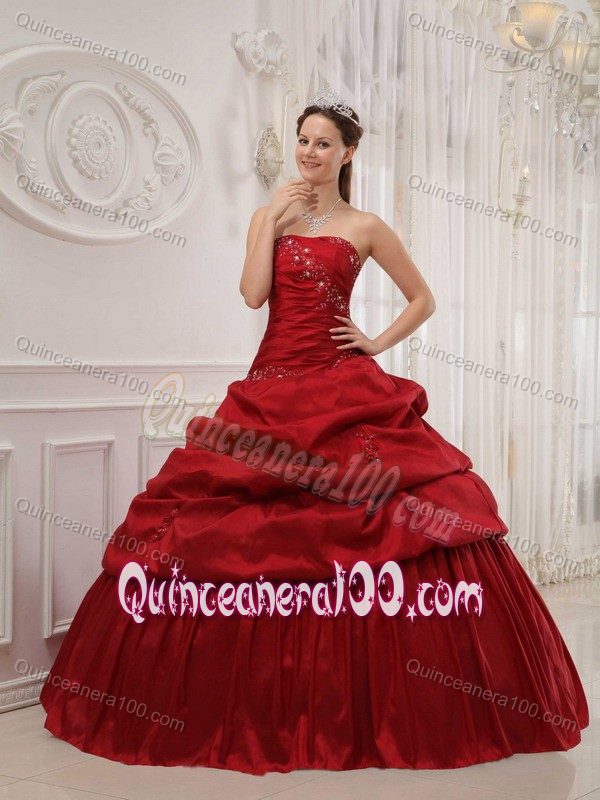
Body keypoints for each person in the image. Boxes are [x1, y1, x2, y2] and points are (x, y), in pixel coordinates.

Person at [40, 83, 589, 774]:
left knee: (381, 514)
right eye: (303, 140)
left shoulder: (365, 226)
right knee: (242, 523)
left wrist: (373, 341)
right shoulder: (270, 216)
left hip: (340, 383)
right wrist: (271, 219)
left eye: (323, 144)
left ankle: (370, 702)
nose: (309, 152)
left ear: (347, 153)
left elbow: (423, 298)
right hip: (271, 385)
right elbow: (252, 295)